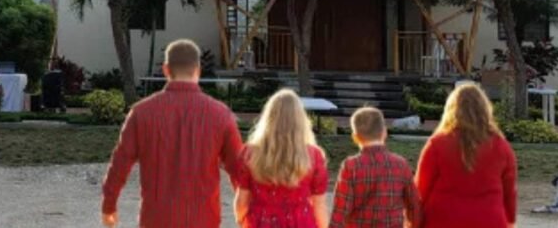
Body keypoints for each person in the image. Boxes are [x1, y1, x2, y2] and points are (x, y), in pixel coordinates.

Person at [101, 39, 243, 228]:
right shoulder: (221, 115)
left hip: (156, 219)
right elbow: (239, 170)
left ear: (166, 70)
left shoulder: (141, 112)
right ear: (198, 70)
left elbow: (120, 163)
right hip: (203, 219)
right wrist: (246, 209)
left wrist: (109, 205)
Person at [415, 84, 517, 228]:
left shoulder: (437, 144)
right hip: (489, 220)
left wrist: (413, 221)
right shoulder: (501, 147)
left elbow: (420, 190)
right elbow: (509, 193)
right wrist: (510, 219)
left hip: (442, 220)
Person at [234, 89, 329, 228]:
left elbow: (242, 201)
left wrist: (242, 220)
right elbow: (319, 205)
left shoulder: (250, 153)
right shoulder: (314, 155)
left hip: (261, 222)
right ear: (301, 120)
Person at [330, 107, 420, 228]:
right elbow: (414, 206)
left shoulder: (350, 166)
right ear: (385, 132)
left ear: (355, 137)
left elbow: (340, 211)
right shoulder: (401, 164)